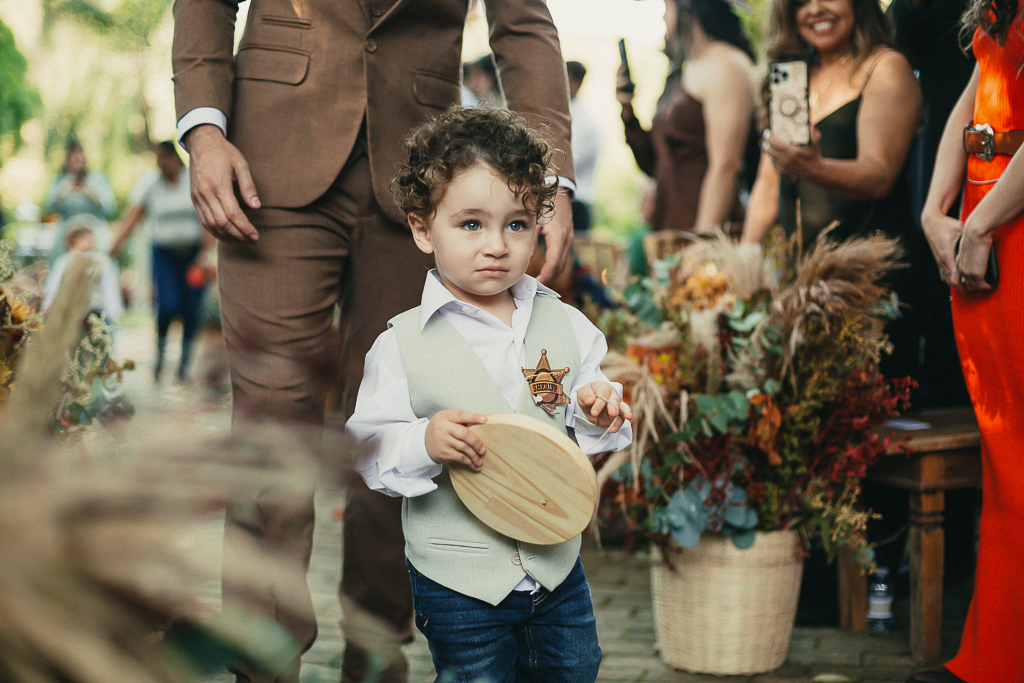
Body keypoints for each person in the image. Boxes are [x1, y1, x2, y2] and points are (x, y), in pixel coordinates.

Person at [171, 2, 577, 681]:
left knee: (407, 424)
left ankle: (378, 657)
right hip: (268, 166)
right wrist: (205, 130)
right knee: (272, 425)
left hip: (427, 181)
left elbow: (524, 23)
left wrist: (552, 181)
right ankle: (260, 663)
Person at [347, 106, 633, 683]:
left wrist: (596, 409)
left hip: (556, 570)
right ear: (423, 229)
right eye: (471, 225)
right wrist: (424, 441)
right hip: (459, 581)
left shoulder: (566, 324)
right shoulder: (401, 345)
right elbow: (369, 449)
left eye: (517, 224)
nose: (497, 245)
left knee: (576, 670)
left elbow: (586, 428)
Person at [914, 0, 1024, 679]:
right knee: (1004, 456)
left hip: (1009, 224)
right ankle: (996, 653)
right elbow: (970, 101)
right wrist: (935, 209)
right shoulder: (997, 7)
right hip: (984, 217)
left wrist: (979, 225)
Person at [741, 0, 922, 384]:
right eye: (801, 2)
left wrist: (813, 168)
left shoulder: (885, 68)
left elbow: (880, 175)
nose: (815, 9)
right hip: (802, 287)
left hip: (869, 287)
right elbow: (768, 185)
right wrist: (743, 264)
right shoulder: (791, 77)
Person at [617, 0, 757, 234]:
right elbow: (657, 161)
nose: (663, 17)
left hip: (705, 232)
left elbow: (726, 166)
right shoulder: (682, 71)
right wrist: (628, 111)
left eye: (667, 6)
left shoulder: (726, 64)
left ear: (688, 6)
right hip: (670, 230)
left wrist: (699, 243)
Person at [111, 141, 211, 382]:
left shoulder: (193, 180)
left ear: (176, 158)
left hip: (193, 256)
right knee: (167, 305)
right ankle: (159, 360)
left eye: (164, 158)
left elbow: (207, 219)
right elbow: (132, 218)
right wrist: (110, 251)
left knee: (191, 310)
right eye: (157, 160)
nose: (161, 164)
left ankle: (184, 366)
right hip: (164, 255)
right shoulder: (150, 184)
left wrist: (206, 253)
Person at [45, 139, 116, 265]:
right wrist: (64, 192)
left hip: (95, 232)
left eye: (80, 154)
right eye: (74, 155)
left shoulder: (98, 179)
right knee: (62, 262)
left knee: (100, 261)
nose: (78, 158)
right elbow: (49, 209)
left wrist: (88, 192)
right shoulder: (60, 180)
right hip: (67, 235)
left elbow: (110, 209)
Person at [43, 219, 124, 325]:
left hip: (94, 313)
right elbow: (53, 286)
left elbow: (109, 289)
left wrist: (114, 314)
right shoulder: (64, 261)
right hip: (69, 314)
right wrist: (47, 308)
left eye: (90, 237)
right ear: (74, 240)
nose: (90, 241)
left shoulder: (100, 261)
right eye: (84, 238)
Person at [567, 61, 601, 232]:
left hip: (574, 205)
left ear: (576, 82)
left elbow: (566, 164)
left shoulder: (584, 123)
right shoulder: (568, 115)